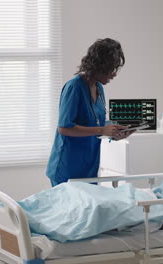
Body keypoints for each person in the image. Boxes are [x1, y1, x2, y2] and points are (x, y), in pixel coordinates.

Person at [20, 110, 163, 242]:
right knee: (73, 189)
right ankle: (24, 211)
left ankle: (32, 222)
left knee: (96, 208)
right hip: (145, 198)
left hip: (158, 210)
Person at [46, 38, 133, 187]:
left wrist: (115, 131)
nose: (114, 74)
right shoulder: (74, 87)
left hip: (89, 168)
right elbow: (64, 127)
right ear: (100, 66)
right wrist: (102, 129)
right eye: (111, 69)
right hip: (67, 169)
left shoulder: (99, 88)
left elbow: (95, 123)